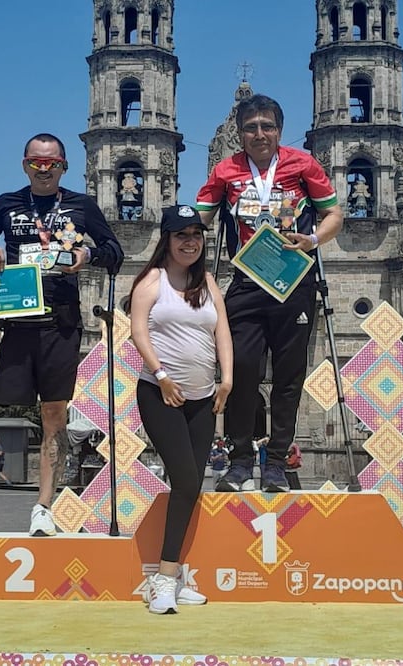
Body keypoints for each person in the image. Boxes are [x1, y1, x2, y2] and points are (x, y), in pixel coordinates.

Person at [0, 132, 123, 536]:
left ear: (64, 166)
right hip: (16, 323)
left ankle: (43, 506)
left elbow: (114, 252)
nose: (44, 169)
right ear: (25, 165)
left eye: (51, 163)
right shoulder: (7, 204)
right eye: (37, 162)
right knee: (0, 412)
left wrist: (89, 254)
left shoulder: (82, 206)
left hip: (62, 323)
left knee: (55, 416)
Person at [196, 94, 344, 493]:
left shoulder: (304, 164)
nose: (260, 133)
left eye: (267, 126)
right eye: (251, 127)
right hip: (246, 281)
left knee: (289, 375)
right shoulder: (225, 172)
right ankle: (240, 461)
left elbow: (334, 214)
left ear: (279, 130)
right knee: (241, 368)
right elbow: (199, 219)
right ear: (239, 132)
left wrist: (312, 240)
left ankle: (276, 462)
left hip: (294, 280)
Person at [129, 204, 233, 614]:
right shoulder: (151, 281)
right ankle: (163, 578)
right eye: (180, 235)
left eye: (195, 234)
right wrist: (162, 374)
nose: (189, 242)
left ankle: (174, 572)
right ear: (167, 240)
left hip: (204, 397)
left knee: (190, 485)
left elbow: (221, 328)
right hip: (160, 394)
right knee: (188, 482)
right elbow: (138, 330)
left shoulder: (208, 282)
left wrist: (227, 380)